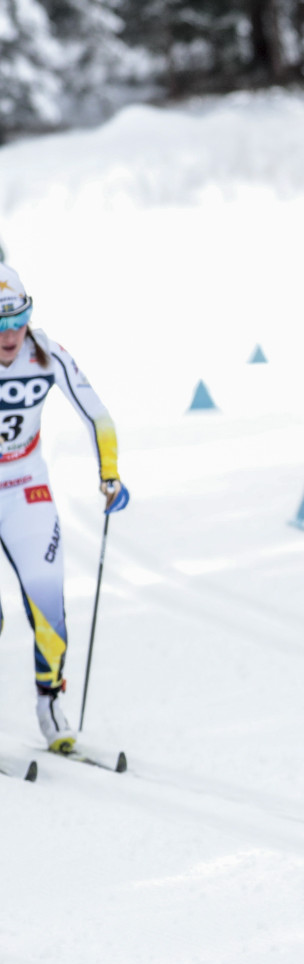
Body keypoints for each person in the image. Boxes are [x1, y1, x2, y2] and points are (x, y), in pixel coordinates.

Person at [0, 264, 128, 754]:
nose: (10, 335)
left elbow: (99, 414)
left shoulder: (46, 354)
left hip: (25, 484)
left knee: (49, 608)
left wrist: (109, 474)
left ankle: (50, 702)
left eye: (19, 320)